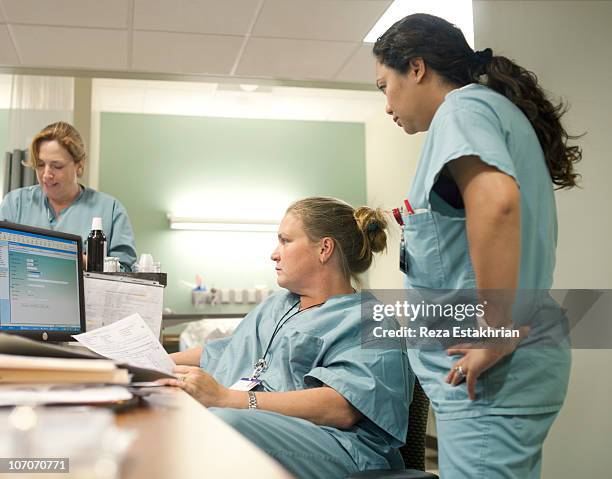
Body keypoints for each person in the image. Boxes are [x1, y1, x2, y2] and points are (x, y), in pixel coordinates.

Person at [373, 13, 581, 479]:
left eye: (384, 85)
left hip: (489, 380)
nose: (386, 104)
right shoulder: (489, 111)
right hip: (498, 376)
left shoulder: (462, 111)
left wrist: (495, 330)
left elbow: (498, 203)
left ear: (417, 68)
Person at [161, 197, 413, 479]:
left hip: (340, 447)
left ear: (324, 249)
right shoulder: (278, 305)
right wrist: (151, 360)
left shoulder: (370, 318)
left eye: (285, 241)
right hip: (257, 425)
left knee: (223, 424)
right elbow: (228, 351)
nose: (274, 254)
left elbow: (342, 408)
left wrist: (228, 398)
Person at [0, 121, 137, 270]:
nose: (46, 175)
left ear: (79, 164)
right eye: (40, 165)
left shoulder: (111, 210)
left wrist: (86, 263)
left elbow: (126, 273)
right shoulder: (15, 204)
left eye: (57, 166)